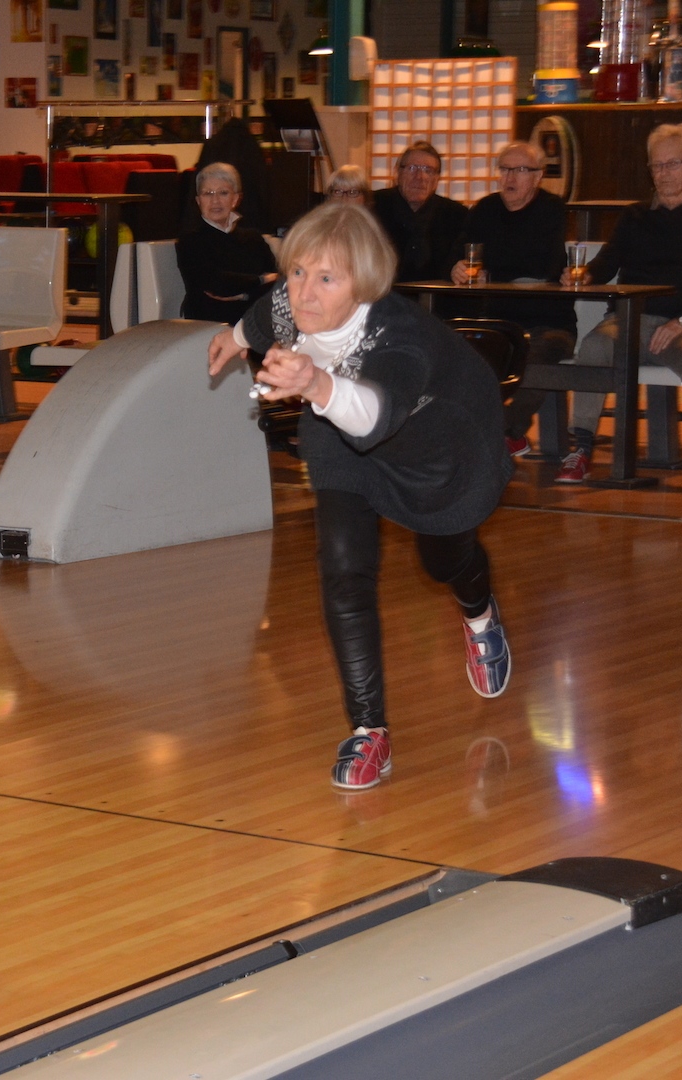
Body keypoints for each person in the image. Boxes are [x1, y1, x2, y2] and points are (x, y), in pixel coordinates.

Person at [206, 202, 512, 791]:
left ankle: (479, 613)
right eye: (298, 272)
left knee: (442, 559)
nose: (304, 292)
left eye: (326, 278)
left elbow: (374, 417)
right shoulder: (293, 303)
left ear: (363, 284)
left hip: (437, 444)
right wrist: (233, 335)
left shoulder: (401, 338)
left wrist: (316, 381)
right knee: (344, 573)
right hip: (337, 429)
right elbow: (266, 313)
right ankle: (369, 732)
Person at [559, 124, 682, 483]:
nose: (663, 174)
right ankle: (580, 447)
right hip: (627, 319)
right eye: (656, 166)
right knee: (594, 345)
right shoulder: (635, 215)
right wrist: (583, 275)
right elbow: (607, 263)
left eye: (672, 164)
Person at [450, 140, 575, 457]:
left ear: (538, 176)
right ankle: (472, 435)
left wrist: (493, 271)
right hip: (497, 321)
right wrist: (458, 267)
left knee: (535, 363)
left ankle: (502, 433)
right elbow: (462, 253)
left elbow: (543, 266)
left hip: (548, 322)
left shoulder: (552, 209)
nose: (510, 177)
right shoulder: (485, 209)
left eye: (520, 170)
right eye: (505, 169)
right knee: (456, 356)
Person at [175, 162, 278, 324]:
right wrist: (261, 280)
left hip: (255, 320)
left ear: (235, 199)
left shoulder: (253, 238)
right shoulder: (190, 240)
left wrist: (243, 293)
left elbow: (278, 282)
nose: (215, 200)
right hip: (208, 324)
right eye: (207, 193)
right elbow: (216, 284)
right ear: (198, 200)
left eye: (223, 193)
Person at [371, 142, 469, 284]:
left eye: (428, 170)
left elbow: (459, 262)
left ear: (436, 179)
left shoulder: (456, 214)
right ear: (397, 172)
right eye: (412, 168)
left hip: (438, 301)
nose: (420, 177)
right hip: (382, 298)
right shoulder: (373, 206)